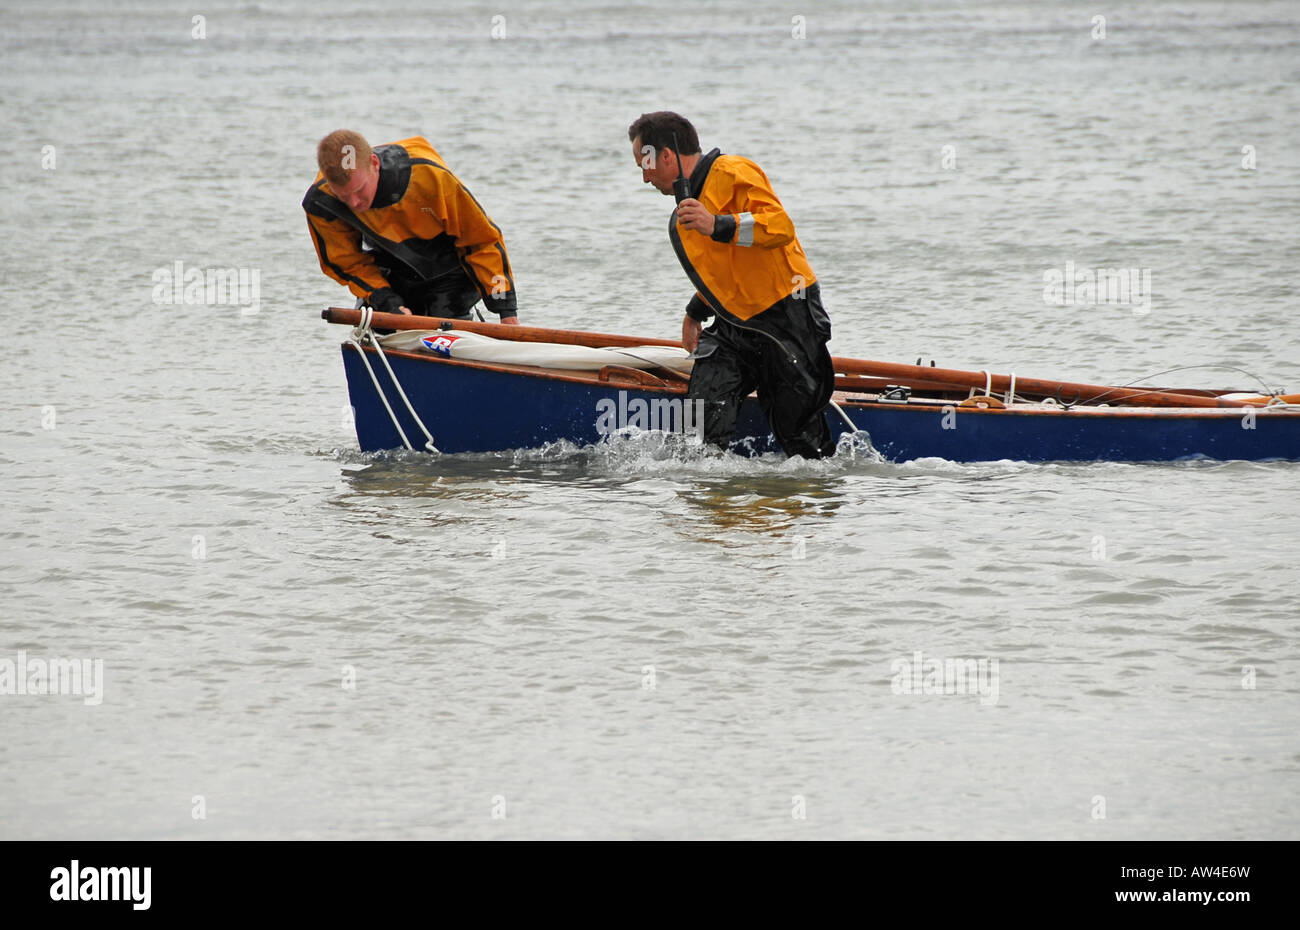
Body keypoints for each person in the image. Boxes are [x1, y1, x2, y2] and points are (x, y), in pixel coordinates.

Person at [627, 112, 834, 458]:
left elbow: (780, 225)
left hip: (789, 317)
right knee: (699, 430)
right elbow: (727, 273)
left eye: (644, 164)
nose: (645, 177)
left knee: (799, 438)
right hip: (735, 326)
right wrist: (694, 312)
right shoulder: (684, 217)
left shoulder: (734, 171)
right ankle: (710, 498)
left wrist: (719, 224)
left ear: (666, 155)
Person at [303, 130, 519, 323]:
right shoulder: (321, 202)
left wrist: (506, 310)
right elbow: (348, 264)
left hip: (449, 270)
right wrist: (387, 301)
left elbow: (481, 242)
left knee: (444, 325)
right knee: (378, 321)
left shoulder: (429, 176)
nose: (355, 203)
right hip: (391, 268)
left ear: (375, 164)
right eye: (344, 197)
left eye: (360, 190)